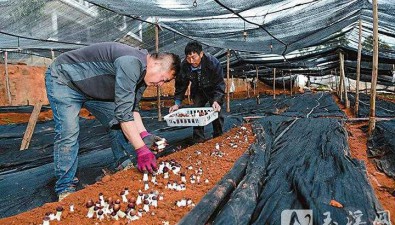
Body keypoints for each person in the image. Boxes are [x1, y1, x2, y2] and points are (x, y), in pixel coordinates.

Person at [45, 42, 180, 201]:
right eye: (163, 78)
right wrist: (141, 150)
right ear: (156, 64)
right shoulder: (131, 63)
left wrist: (144, 134)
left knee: (114, 121)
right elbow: (124, 114)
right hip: (65, 80)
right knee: (68, 133)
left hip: (93, 91)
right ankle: (65, 187)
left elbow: (132, 109)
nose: (160, 84)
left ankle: (122, 162)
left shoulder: (143, 77)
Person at [169, 41, 225, 143]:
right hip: (197, 89)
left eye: (194, 57)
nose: (191, 61)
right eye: (188, 58)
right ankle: (199, 139)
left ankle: (218, 136)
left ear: (201, 54)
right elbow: (181, 85)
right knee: (196, 113)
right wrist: (177, 103)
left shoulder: (213, 63)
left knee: (217, 112)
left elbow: (219, 84)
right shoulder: (185, 65)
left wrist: (217, 100)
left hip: (212, 89)